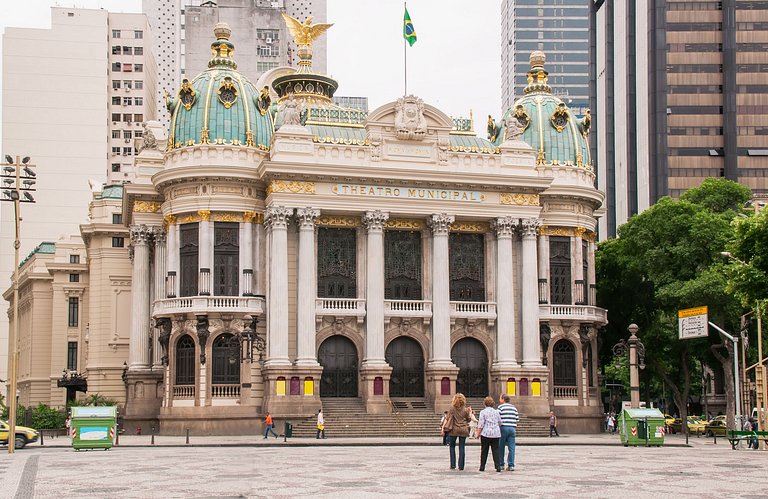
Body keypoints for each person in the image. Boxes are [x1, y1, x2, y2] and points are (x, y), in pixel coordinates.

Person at [442, 393, 471, 470]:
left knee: (452, 446)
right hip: (463, 429)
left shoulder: (452, 409)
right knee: (462, 446)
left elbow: (447, 418)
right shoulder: (465, 409)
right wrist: (469, 412)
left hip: (453, 429)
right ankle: (461, 466)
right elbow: (468, 419)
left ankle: (453, 464)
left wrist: (443, 428)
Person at [476, 396, 502, 472]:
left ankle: (482, 466)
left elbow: (481, 424)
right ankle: (498, 466)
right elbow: (500, 422)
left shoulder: (483, 412)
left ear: (485, 403)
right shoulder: (496, 412)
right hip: (495, 433)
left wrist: (478, 433)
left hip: (486, 433)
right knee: (496, 450)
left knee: (484, 450)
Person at [497, 394, 519, 471]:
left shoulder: (500, 407)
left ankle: (501, 464)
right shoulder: (514, 408)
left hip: (503, 428)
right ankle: (511, 465)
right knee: (512, 447)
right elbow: (517, 419)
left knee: (501, 446)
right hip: (512, 428)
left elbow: (497, 418)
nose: (499, 400)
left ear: (503, 399)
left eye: (500, 398)